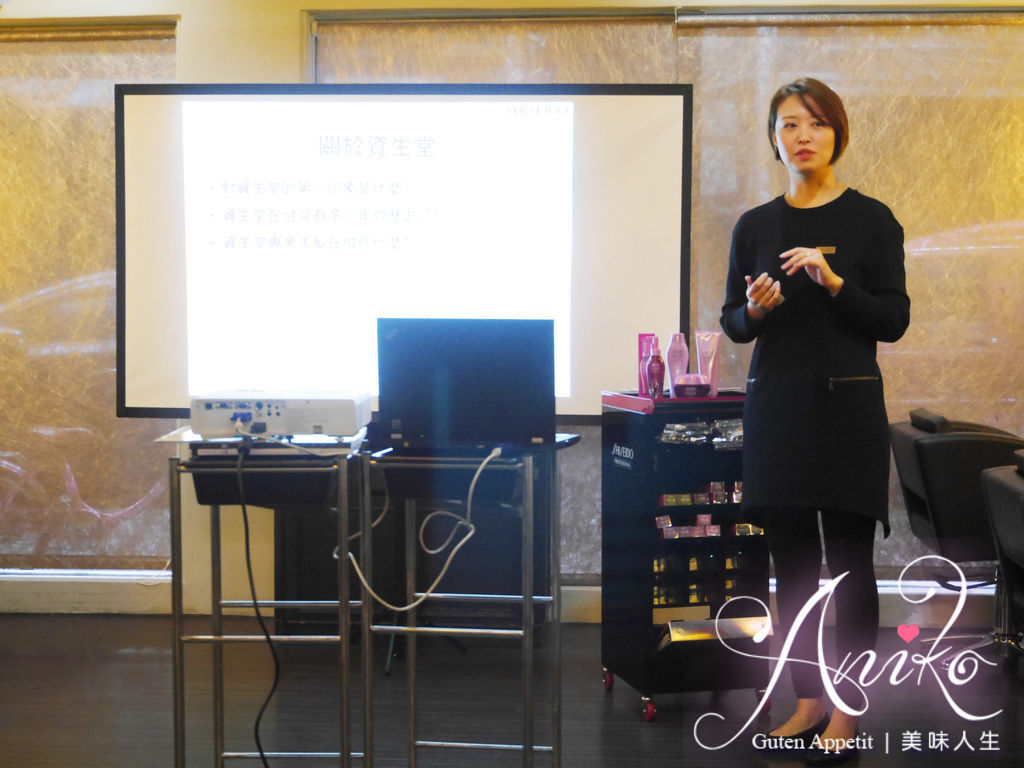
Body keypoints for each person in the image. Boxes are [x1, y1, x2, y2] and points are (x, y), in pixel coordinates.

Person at [719, 78, 910, 767]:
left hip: (848, 412)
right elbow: (733, 323)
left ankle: (848, 712)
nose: (803, 136)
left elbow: (893, 319)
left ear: (837, 134)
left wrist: (833, 283)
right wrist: (756, 310)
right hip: (778, 411)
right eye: (789, 124)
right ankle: (806, 702)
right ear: (773, 139)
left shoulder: (872, 221)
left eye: (817, 124)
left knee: (851, 566)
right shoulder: (755, 225)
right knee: (792, 567)